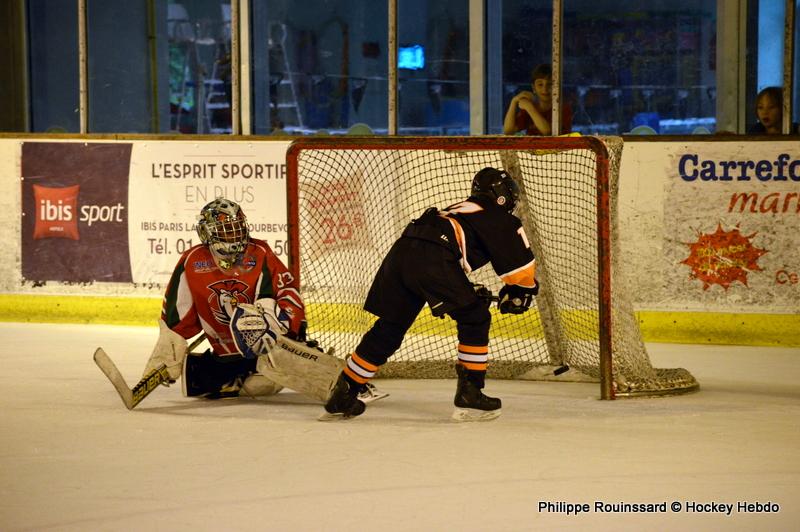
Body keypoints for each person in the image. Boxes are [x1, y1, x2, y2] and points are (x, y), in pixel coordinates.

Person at [323, 168, 539, 422]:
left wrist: (467, 291)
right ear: (501, 195)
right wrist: (520, 293)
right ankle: (470, 393)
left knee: (390, 327)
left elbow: (437, 253)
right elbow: (520, 272)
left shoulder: (458, 209)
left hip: (403, 250)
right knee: (475, 318)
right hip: (433, 256)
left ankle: (344, 393)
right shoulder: (497, 215)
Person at [142, 197, 385, 404]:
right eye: (226, 231)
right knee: (253, 384)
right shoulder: (192, 261)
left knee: (268, 366)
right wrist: (166, 355)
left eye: (237, 228)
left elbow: (288, 293)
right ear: (206, 232)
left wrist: (281, 327)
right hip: (226, 353)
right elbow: (176, 317)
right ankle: (213, 375)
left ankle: (346, 385)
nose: (234, 236)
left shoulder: (259, 253)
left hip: (268, 347)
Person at [503, 63, 573, 136]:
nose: (545, 89)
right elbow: (508, 131)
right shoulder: (532, 106)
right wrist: (514, 102)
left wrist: (530, 108)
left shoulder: (563, 108)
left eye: (550, 84)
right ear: (534, 88)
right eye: (540, 84)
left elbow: (548, 133)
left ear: (557, 87)